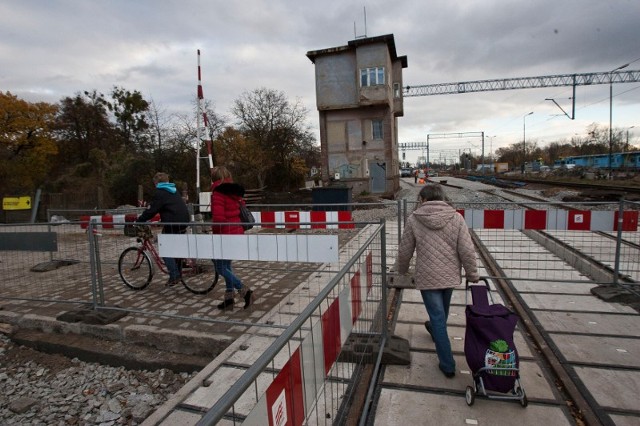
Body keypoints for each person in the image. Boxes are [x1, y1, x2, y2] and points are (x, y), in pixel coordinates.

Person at [395, 183, 479, 378]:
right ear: (442, 198)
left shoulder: (414, 219)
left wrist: (402, 270)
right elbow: (466, 250)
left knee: (439, 317)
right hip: (449, 276)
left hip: (428, 276)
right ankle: (435, 329)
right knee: (441, 315)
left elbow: (405, 249)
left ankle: (447, 364)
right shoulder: (456, 218)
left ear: (423, 199)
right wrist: (472, 274)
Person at [210, 166, 255, 310]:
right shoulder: (235, 191)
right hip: (236, 232)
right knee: (226, 265)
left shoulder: (218, 193)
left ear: (215, 178)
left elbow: (218, 219)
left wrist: (215, 235)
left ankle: (244, 291)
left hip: (225, 234)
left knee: (220, 267)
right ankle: (229, 299)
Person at [138, 172, 190, 286]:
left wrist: (139, 220)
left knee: (164, 248)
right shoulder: (174, 190)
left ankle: (174, 274)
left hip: (173, 224)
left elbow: (151, 210)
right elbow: (171, 207)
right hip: (183, 222)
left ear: (157, 182)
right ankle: (178, 271)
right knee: (175, 248)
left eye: (154, 183)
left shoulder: (160, 192)